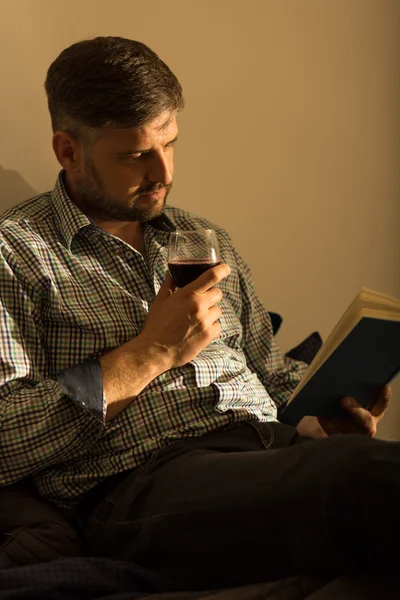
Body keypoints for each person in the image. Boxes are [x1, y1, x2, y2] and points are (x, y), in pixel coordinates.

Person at [0, 36, 398, 591]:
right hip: (145, 483)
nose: (162, 172)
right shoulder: (16, 252)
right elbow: (7, 437)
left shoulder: (202, 239)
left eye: (170, 144)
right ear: (68, 151)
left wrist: (324, 413)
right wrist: (151, 352)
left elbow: (270, 373)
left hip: (273, 452)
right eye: (135, 154)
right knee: (371, 480)